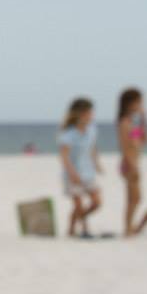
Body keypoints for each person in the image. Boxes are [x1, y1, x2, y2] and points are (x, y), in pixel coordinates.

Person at [58, 98, 103, 238]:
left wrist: (97, 164)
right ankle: (84, 230)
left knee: (97, 202)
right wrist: (72, 174)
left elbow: (93, 148)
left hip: (88, 172)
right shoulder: (68, 134)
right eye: (89, 112)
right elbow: (64, 157)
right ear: (80, 114)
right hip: (72, 173)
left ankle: (72, 224)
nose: (91, 115)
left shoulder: (92, 130)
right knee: (79, 204)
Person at [117, 87, 147, 236]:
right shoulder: (124, 122)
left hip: (134, 162)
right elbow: (125, 147)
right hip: (129, 164)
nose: (141, 105)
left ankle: (129, 227)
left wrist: (143, 120)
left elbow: (143, 140)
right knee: (135, 198)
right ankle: (128, 228)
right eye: (139, 102)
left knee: (133, 198)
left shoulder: (132, 123)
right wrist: (133, 166)